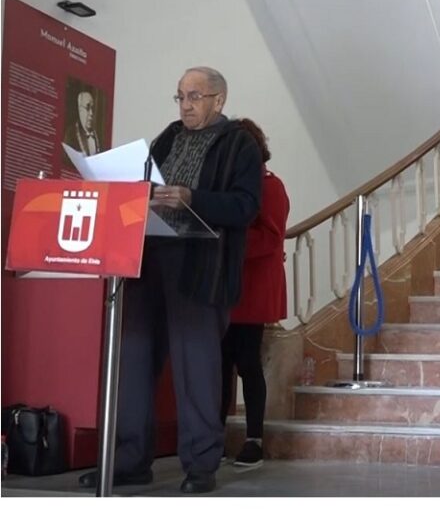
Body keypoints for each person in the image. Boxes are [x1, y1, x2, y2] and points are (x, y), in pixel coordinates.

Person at [78, 67, 263, 494]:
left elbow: (245, 207)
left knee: (195, 365)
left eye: (195, 96)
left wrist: (192, 198)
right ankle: (127, 460)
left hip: (199, 266)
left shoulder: (240, 144)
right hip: (148, 258)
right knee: (133, 358)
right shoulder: (167, 136)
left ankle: (200, 467)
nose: (185, 105)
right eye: (179, 96)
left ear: (219, 99)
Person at [220, 118, 289, 470]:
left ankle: (254, 439)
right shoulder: (233, 185)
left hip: (253, 288)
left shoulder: (269, 186)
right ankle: (213, 437)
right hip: (225, 287)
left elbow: (271, 237)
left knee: (247, 363)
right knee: (219, 366)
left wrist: (225, 244)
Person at [63, 88, 101, 156]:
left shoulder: (98, 135)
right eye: (87, 107)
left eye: (92, 108)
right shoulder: (70, 134)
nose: (91, 113)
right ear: (80, 110)